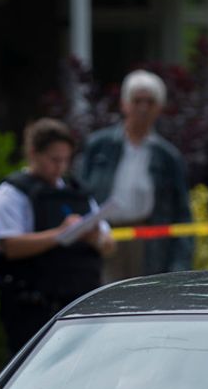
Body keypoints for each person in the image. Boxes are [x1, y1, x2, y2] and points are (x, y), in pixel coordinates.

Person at [0, 118, 115, 355]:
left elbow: (109, 243)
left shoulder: (77, 192)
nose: (60, 167)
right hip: (31, 309)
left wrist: (94, 239)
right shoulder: (12, 193)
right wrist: (60, 234)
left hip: (78, 306)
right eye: (54, 159)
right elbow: (9, 246)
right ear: (33, 153)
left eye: (65, 160)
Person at [78, 69, 193, 281]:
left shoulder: (168, 157)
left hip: (147, 243)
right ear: (124, 104)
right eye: (137, 100)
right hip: (103, 239)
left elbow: (182, 213)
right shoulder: (99, 146)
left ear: (159, 108)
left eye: (150, 102)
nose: (143, 108)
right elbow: (78, 193)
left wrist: (180, 264)